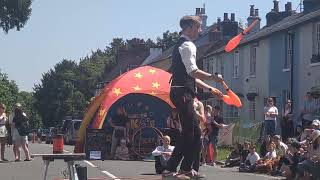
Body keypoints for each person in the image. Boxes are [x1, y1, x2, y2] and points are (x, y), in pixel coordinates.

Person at [164, 15, 224, 179]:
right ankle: (170, 169)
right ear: (188, 27)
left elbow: (191, 77)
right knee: (189, 132)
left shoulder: (181, 45)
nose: (200, 30)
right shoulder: (187, 45)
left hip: (183, 91)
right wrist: (214, 77)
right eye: (198, 27)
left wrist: (210, 88)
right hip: (182, 93)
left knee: (196, 133)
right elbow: (193, 72)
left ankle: (186, 168)